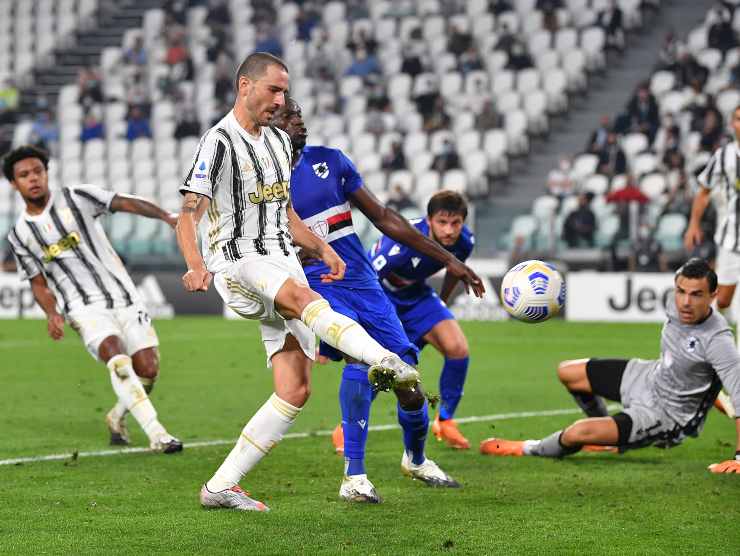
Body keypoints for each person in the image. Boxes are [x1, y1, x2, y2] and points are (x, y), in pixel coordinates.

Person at [176, 52, 425, 512]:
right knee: (302, 298)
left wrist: (321, 247)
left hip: (282, 258)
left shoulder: (275, 142)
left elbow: (284, 211)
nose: (280, 99)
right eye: (273, 89)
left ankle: (220, 487)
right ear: (244, 85)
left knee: (295, 389)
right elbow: (188, 213)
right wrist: (195, 264)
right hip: (239, 262)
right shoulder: (219, 141)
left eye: (284, 91)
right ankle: (386, 359)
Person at [272, 98, 485, 502]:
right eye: (287, 114)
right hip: (318, 283)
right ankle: (354, 476)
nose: (297, 119)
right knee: (357, 361)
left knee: (406, 377)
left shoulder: (331, 161)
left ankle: (416, 459)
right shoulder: (262, 181)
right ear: (268, 122)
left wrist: (449, 260)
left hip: (364, 282)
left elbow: (385, 217)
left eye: (299, 113)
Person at [480, 258, 740, 475]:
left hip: (665, 415)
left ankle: (529, 448)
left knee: (575, 434)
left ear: (713, 296)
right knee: (567, 371)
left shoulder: (718, 341)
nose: (685, 302)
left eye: (696, 295)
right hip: (648, 376)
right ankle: (604, 435)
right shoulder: (677, 305)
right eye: (681, 291)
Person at [3, 145, 182, 453]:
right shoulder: (20, 234)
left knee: (148, 370)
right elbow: (38, 282)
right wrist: (51, 313)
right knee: (116, 356)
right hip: (82, 307)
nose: (33, 179)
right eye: (24, 175)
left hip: (125, 296)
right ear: (13, 183)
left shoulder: (76, 197)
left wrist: (166, 216)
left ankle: (116, 416)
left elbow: (124, 202)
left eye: (37, 172)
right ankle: (158, 434)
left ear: (46, 173)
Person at [365, 191, 478, 450]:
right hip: (383, 297)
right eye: (442, 222)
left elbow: (454, 269)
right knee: (379, 366)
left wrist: (442, 304)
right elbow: (367, 277)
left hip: (418, 296)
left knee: (458, 349)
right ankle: (347, 427)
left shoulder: (465, 241)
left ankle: (446, 421)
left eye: (456, 223)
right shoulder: (400, 244)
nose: (449, 230)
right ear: (429, 221)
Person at [685, 105, 740, 339]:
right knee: (724, 300)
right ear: (732, 123)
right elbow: (704, 191)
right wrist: (693, 225)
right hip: (730, 239)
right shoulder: (723, 156)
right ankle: (725, 330)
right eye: (738, 118)